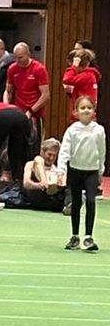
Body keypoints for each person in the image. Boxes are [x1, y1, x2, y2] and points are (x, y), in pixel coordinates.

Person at [57, 95, 104, 251]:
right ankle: (75, 236)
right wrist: (61, 170)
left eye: (89, 108)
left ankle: (89, 237)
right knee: (76, 203)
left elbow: (102, 151)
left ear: (94, 111)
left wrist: (100, 170)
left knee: (90, 201)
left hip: (91, 171)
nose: (86, 110)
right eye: (82, 108)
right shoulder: (72, 130)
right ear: (75, 112)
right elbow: (64, 151)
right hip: (75, 171)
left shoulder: (99, 130)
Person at [4, 41, 50, 154]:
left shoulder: (38, 69)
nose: (17, 60)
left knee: (33, 147)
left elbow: (45, 95)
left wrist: (31, 111)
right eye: (15, 57)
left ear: (28, 54)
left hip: (34, 114)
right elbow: (8, 91)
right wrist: (6, 107)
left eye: (20, 57)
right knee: (15, 147)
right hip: (17, 112)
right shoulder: (12, 69)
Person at [21, 138, 66, 212]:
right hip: (38, 195)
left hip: (53, 199)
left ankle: (70, 203)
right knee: (38, 159)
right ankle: (45, 183)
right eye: (49, 154)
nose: (51, 158)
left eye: (54, 156)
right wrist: (39, 185)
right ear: (42, 152)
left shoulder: (56, 168)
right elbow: (26, 183)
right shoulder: (31, 164)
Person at [62, 47, 100, 121]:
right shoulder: (89, 75)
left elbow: (67, 79)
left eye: (71, 65)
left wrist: (74, 67)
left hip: (83, 117)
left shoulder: (86, 76)